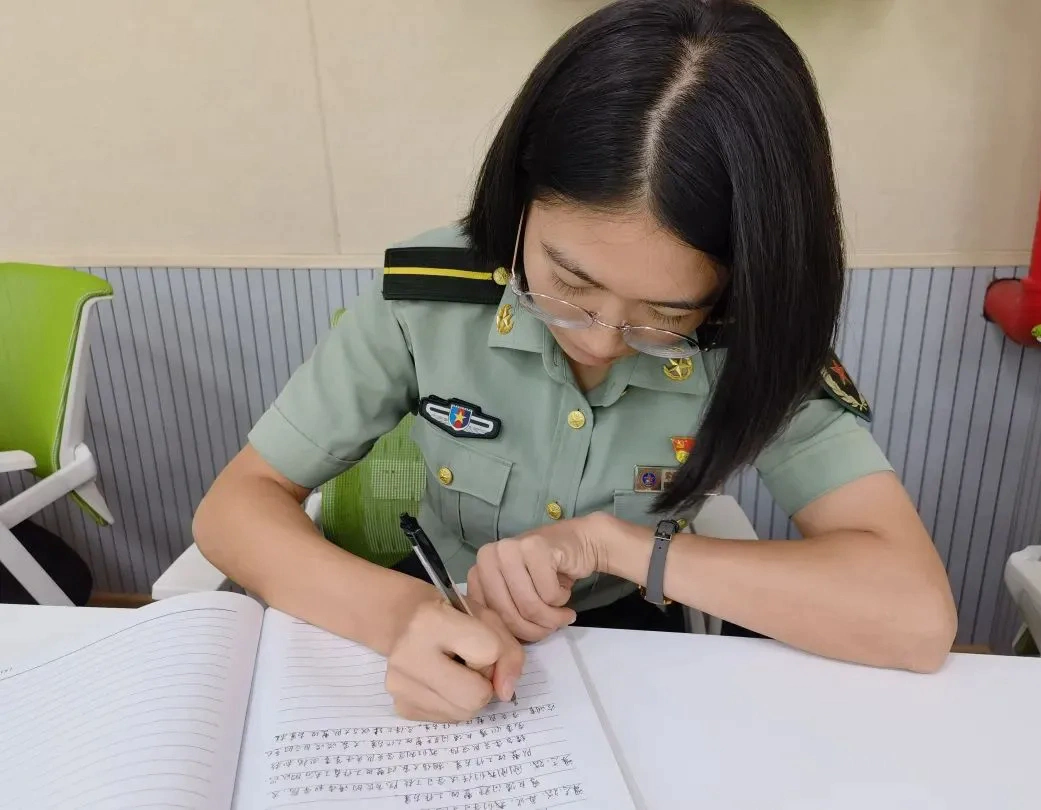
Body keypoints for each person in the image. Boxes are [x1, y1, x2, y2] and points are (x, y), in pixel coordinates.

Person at [193, 0, 957, 723]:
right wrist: (399, 615)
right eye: (567, 283)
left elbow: (915, 616)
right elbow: (236, 506)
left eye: (667, 316)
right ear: (520, 196)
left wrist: (614, 547)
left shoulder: (755, 335)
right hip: (439, 615)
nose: (598, 340)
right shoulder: (431, 298)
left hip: (634, 640)